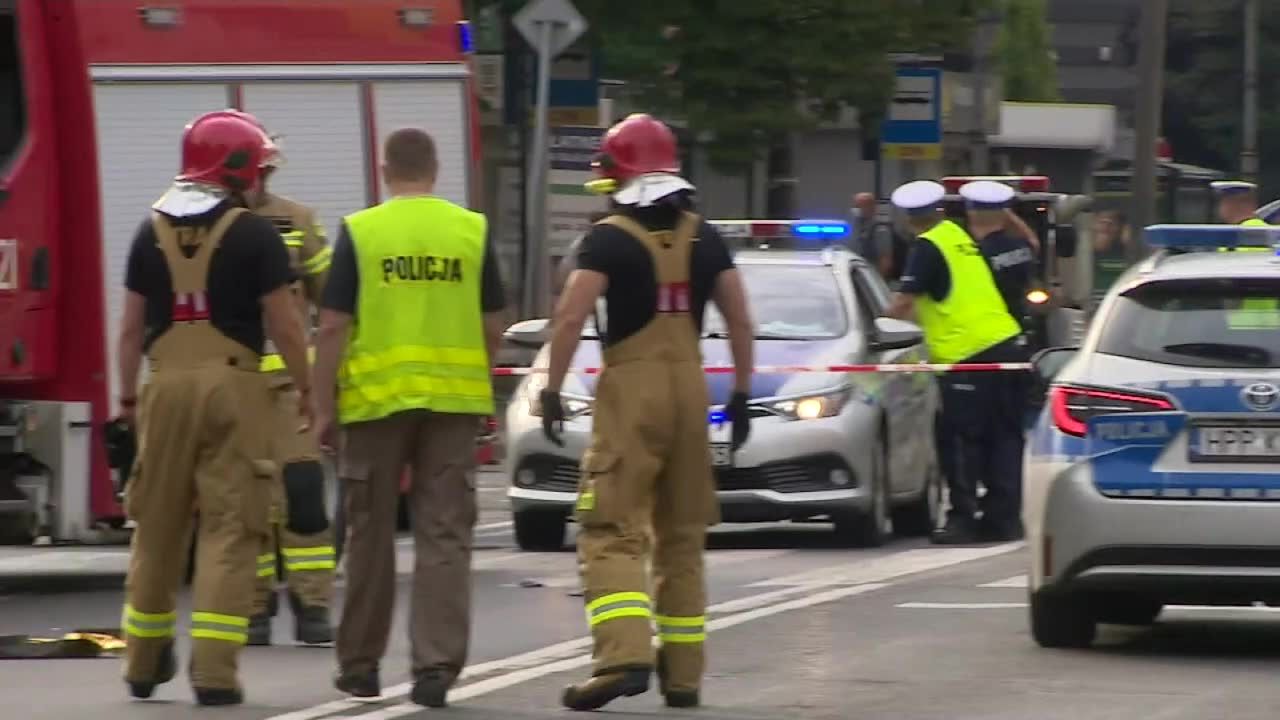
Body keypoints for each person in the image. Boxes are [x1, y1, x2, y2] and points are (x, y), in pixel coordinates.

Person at [540, 113, 754, 712]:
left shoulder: (605, 238)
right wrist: (738, 394)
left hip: (632, 394)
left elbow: (570, 316)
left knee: (609, 528)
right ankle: (683, 678)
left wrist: (552, 389)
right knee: (682, 537)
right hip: (692, 391)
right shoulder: (706, 237)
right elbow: (739, 318)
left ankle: (623, 657)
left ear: (620, 176)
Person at [115, 109, 311, 706]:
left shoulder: (148, 230)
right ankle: (214, 673)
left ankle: (144, 662)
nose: (260, 179)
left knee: (157, 526)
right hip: (234, 389)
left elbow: (128, 329)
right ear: (237, 169)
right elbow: (284, 323)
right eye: (257, 168)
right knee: (232, 527)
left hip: (164, 385)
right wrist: (310, 388)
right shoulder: (255, 234)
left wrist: (126, 401)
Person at [312, 127, 508, 708]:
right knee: (444, 533)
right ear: (436, 169)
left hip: (374, 406)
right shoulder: (470, 231)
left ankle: (361, 666)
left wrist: (323, 406)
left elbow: (332, 326)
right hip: (452, 406)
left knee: (370, 533)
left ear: (384, 169)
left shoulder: (362, 231)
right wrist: (476, 376)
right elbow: (495, 324)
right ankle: (436, 668)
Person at [884, 180, 1024, 545]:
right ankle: (1003, 519)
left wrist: (879, 328)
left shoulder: (927, 246)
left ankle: (962, 519)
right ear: (941, 211)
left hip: (968, 355)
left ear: (906, 218)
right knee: (1004, 437)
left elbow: (902, 306)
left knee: (960, 440)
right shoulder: (959, 237)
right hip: (1007, 346)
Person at [245, 137, 337, 648]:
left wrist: (329, 379)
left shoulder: (297, 221)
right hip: (233, 386)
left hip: (288, 386)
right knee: (248, 500)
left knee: (303, 492)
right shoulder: (203, 226)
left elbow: (333, 302)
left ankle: (313, 601)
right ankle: (255, 604)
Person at [960, 181, 1038, 330]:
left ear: (971, 214)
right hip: (1016, 325)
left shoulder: (974, 255)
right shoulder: (1021, 247)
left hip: (984, 330)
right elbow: (1033, 241)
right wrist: (1005, 212)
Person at [852, 192, 908, 282]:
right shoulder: (863, 227)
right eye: (855, 206)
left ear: (871, 207)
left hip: (878, 282)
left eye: (859, 206)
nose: (856, 210)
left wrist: (878, 283)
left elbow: (885, 261)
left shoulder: (880, 229)